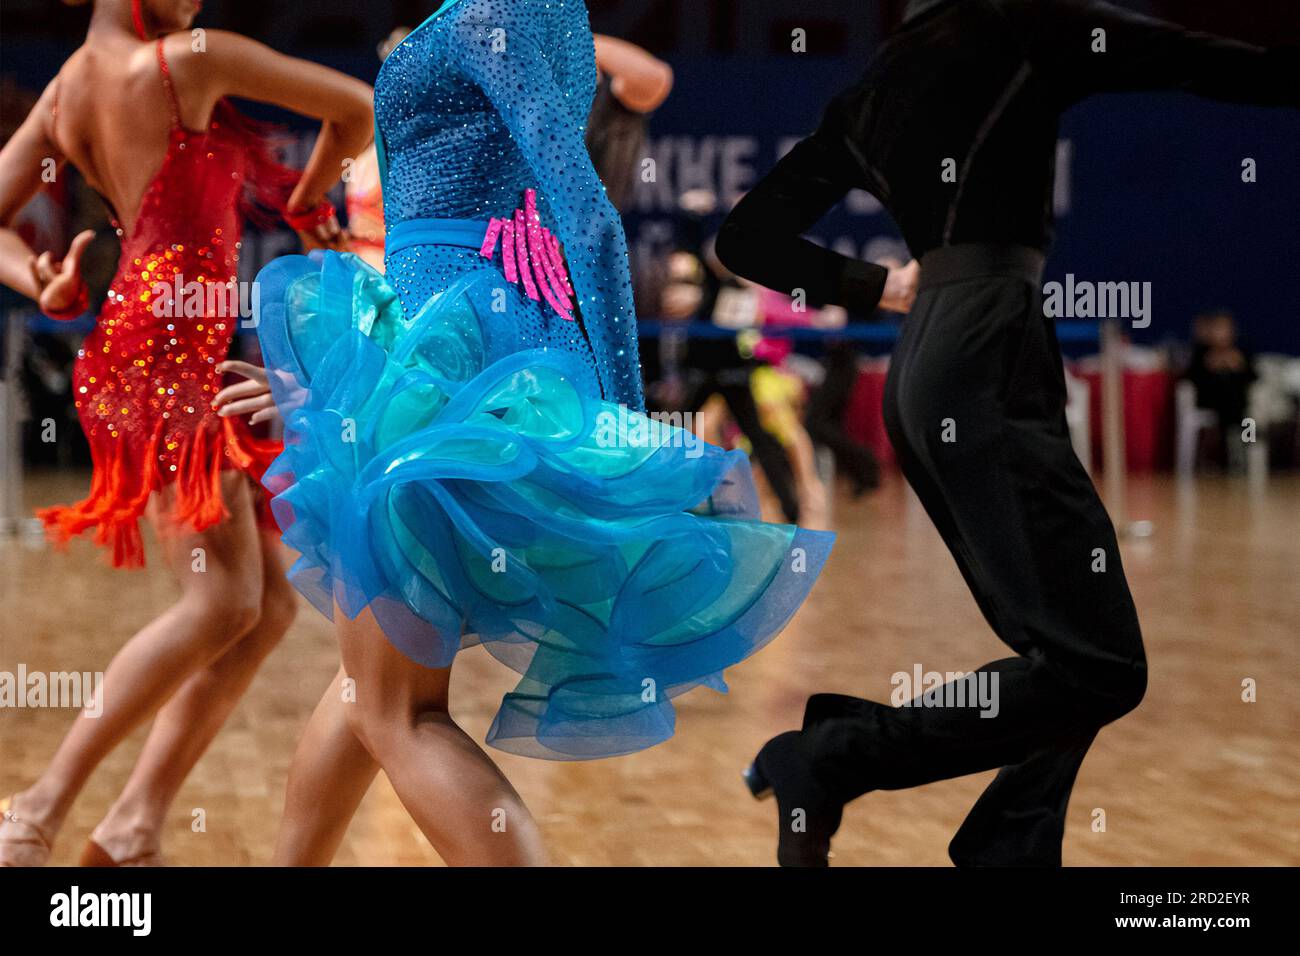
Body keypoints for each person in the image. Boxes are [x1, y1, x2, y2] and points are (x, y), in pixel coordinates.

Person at [227, 0, 833, 867]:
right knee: (369, 683)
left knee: (397, 710)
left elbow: (584, 219)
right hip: (451, 358)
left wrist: (627, 421)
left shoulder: (491, 15)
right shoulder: (547, 20)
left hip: (456, 368)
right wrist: (342, 381)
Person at [717, 0, 1299, 866]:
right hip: (988, 351)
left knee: (1063, 655)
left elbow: (746, 236)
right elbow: (1210, 60)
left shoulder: (875, 85)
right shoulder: (1021, 25)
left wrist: (878, 286)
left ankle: (1010, 848)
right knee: (1099, 668)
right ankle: (829, 758)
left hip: (926, 364)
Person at [0, 0, 373, 865]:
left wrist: (39, 282)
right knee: (224, 602)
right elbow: (355, 107)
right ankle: (35, 815)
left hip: (141, 349)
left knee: (266, 607)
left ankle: (134, 822)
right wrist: (307, 206)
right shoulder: (184, 62)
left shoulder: (65, 93)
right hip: (161, 361)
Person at [1185, 311, 1257, 470]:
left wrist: (1237, 366)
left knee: (1244, 414)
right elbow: (1190, 380)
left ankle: (1243, 453)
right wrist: (1211, 366)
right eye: (1217, 329)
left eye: (1225, 329)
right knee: (1230, 405)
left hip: (1240, 407)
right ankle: (1229, 454)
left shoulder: (1241, 352)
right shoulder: (1201, 353)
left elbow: (1254, 378)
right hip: (1210, 403)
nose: (1221, 334)